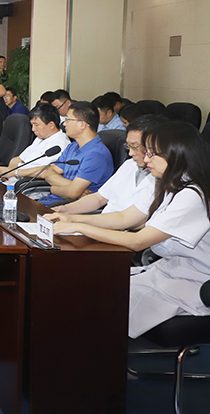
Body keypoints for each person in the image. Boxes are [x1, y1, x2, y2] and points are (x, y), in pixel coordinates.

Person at [51, 122, 210, 338]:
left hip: (193, 283)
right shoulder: (168, 184)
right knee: (90, 288)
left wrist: (79, 226)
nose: (146, 159)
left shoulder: (192, 195)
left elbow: (138, 241)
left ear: (176, 156)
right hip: (167, 272)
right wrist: (70, 218)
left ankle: (101, 353)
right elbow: (124, 217)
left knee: (103, 300)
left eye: (152, 154)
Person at [52, 115, 167, 215]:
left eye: (135, 146)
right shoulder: (129, 165)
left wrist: (76, 221)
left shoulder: (163, 180)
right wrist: (64, 210)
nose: (130, 153)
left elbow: (126, 219)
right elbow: (99, 198)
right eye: (128, 146)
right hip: (103, 223)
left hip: (118, 228)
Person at [38, 101, 114, 205]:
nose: (64, 123)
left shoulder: (96, 155)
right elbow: (50, 171)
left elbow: (72, 194)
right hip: (51, 201)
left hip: (67, 208)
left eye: (68, 120)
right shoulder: (72, 146)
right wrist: (70, 185)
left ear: (82, 124)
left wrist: (53, 189)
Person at [0, 104, 69, 181]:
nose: (33, 129)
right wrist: (7, 173)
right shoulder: (40, 138)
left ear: (51, 125)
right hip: (16, 179)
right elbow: (18, 159)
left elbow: (44, 171)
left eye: (36, 125)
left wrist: (13, 173)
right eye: (32, 125)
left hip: (30, 184)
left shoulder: (59, 144)